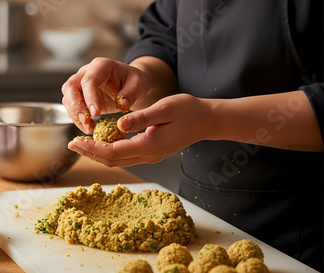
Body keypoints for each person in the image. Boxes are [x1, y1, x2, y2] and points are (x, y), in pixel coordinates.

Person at [61, 0, 323, 271]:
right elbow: (166, 39)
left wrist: (212, 120)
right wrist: (140, 78)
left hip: (301, 234)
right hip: (194, 221)